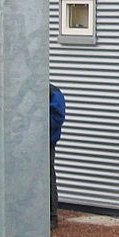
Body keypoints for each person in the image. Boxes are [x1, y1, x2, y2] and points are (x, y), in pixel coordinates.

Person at [50, 82, 66, 229]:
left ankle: (51, 216)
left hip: (46, 143)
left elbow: (57, 119)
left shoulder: (53, 92)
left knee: (47, 177)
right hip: (27, 144)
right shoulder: (27, 90)